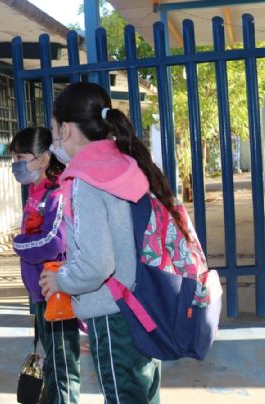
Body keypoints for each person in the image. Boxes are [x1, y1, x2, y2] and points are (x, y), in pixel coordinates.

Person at [39, 82, 161, 403]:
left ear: (65, 129)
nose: (54, 140)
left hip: (113, 315)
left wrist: (60, 279)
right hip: (142, 305)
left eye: (53, 130)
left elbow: (97, 264)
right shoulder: (126, 164)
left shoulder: (86, 179)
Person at [10, 127, 80, 403]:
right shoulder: (35, 189)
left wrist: (18, 244)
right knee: (51, 362)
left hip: (57, 295)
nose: (16, 164)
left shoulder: (57, 190)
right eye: (14, 157)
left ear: (44, 158)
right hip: (41, 292)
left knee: (62, 366)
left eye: (21, 156)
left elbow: (54, 241)